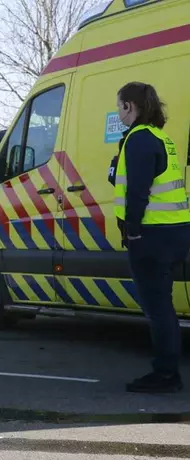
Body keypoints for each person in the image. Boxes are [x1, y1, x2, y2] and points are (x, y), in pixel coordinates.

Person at [109, 81, 190, 393]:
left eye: (119, 106)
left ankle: (167, 374)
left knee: (157, 307)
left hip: (153, 234)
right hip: (175, 230)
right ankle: (167, 370)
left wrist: (132, 230)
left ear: (130, 106)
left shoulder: (138, 139)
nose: (118, 112)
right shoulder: (161, 136)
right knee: (162, 304)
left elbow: (138, 191)